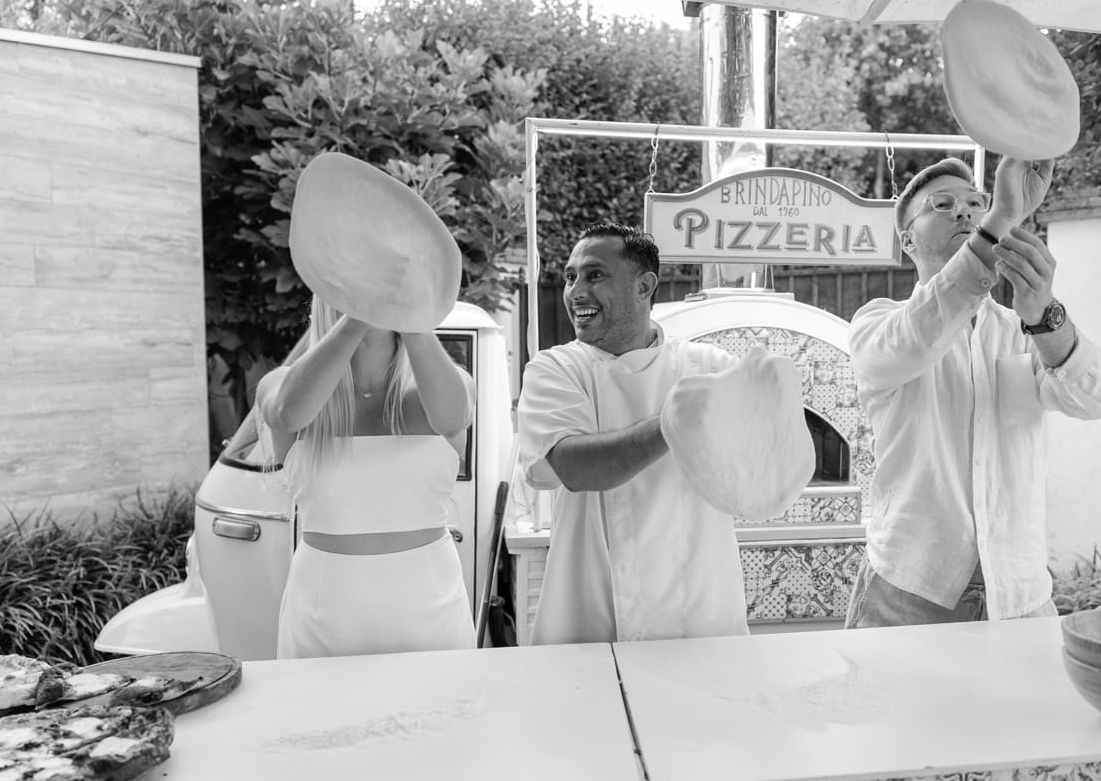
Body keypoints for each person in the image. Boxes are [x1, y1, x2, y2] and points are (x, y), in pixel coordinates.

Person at [845, 156, 1101, 627]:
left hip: (1020, 593)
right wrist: (999, 220)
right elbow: (919, 334)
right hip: (908, 589)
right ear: (907, 240)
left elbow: (1096, 398)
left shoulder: (1020, 331)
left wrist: (1044, 311)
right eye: (943, 204)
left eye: (976, 202)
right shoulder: (878, 322)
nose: (965, 212)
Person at [515, 221, 749, 645]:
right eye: (570, 277)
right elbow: (575, 467)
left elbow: (753, 471)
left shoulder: (710, 366)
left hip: (698, 613)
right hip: (592, 611)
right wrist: (674, 420)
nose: (575, 292)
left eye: (594, 275)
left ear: (644, 286)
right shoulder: (556, 369)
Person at [257, 295, 477, 658]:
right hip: (321, 621)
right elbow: (289, 414)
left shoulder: (445, 385)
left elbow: (453, 419)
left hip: (430, 615)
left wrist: (412, 317)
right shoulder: (282, 385)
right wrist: (360, 314)